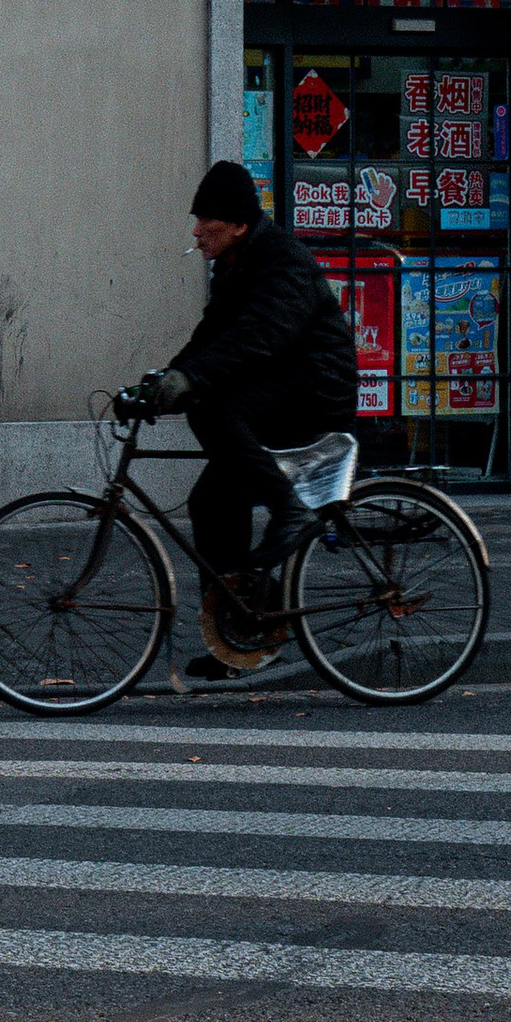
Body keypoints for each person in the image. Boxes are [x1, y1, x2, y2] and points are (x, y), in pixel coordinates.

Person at [124, 160, 360, 686]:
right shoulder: (234, 266)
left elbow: (261, 336)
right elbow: (210, 338)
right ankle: (239, 632)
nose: (195, 231)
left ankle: (287, 505)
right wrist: (162, 385)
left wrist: (192, 382)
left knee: (218, 407)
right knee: (212, 499)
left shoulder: (283, 262)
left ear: (236, 225)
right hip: (277, 388)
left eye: (204, 219)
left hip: (315, 391)